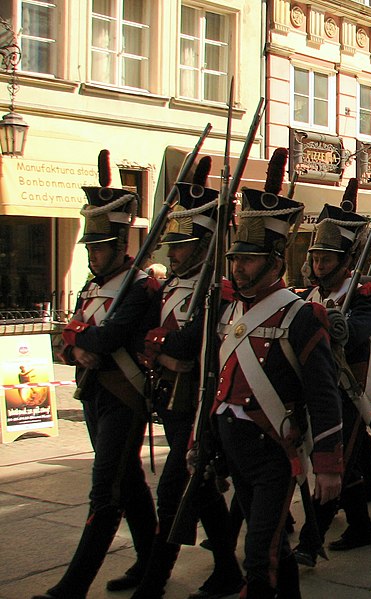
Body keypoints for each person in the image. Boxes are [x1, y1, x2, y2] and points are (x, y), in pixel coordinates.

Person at [213, 152, 343, 598]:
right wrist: (202, 443)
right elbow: (221, 385)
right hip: (233, 442)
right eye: (235, 259)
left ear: (273, 260)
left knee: (258, 556)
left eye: (248, 260)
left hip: (273, 447)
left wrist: (327, 466)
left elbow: (323, 395)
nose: (238, 267)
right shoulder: (233, 309)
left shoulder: (302, 315)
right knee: (275, 549)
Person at [35, 151, 159, 599]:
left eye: (101, 248)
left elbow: (110, 339)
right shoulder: (92, 286)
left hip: (124, 396)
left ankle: (74, 584)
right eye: (90, 248)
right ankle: (150, 563)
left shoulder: (142, 285)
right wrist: (75, 344)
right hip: (94, 395)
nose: (94, 255)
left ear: (120, 245)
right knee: (128, 484)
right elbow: (67, 336)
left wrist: (82, 341)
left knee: (104, 489)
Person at [135, 159, 243, 599]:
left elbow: (189, 349)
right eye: (173, 245)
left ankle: (154, 582)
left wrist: (168, 351)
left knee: (173, 490)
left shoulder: (217, 289)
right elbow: (155, 342)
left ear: (204, 245)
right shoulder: (172, 286)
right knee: (200, 491)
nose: (172, 253)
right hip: (171, 400)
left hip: (200, 402)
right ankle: (227, 571)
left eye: (181, 246)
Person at [292, 180, 371, 566]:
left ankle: (311, 542)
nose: (318, 264)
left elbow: (360, 333)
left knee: (337, 460)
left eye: (327, 258)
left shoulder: (362, 292)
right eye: (316, 257)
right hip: (318, 385)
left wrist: (338, 323)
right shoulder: (307, 298)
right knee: (351, 461)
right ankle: (361, 527)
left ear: (345, 259)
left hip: (351, 384)